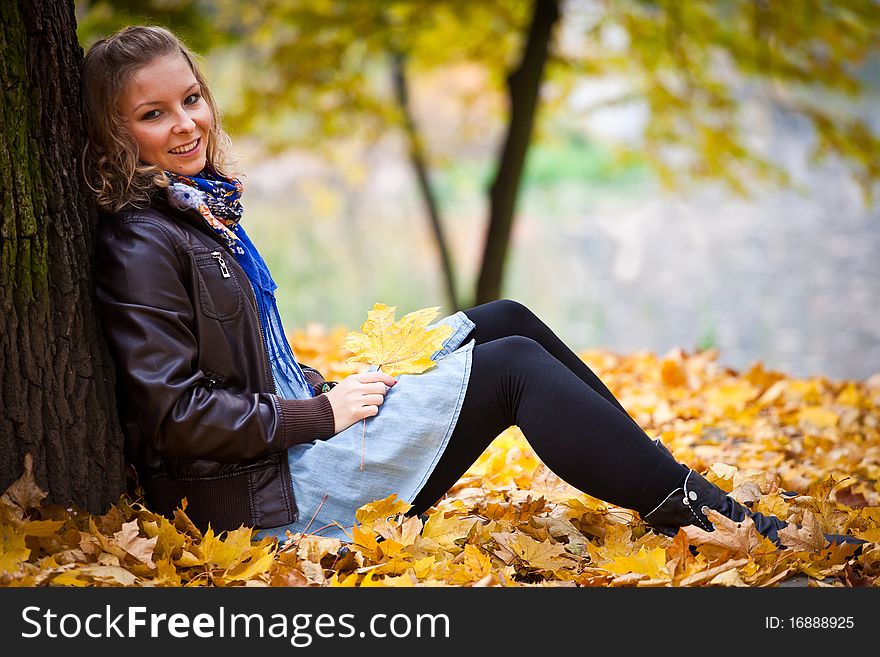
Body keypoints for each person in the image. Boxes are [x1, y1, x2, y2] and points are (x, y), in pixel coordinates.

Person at [83, 25, 863, 552]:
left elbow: (246, 362)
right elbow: (176, 413)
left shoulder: (200, 212)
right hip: (270, 506)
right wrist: (321, 411)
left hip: (283, 456)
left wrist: (328, 387)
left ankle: (678, 486)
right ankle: (720, 520)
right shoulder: (141, 241)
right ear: (116, 133)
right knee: (511, 365)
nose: (185, 124)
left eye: (191, 99)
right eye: (153, 114)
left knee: (503, 318)